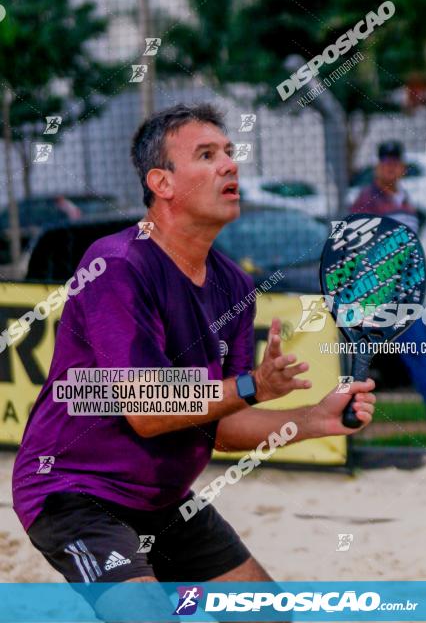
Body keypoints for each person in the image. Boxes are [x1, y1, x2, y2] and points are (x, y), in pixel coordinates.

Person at [12, 104, 375, 597]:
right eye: (207, 155)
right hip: (73, 494)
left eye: (228, 152)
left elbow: (220, 426)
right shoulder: (117, 265)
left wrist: (314, 420)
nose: (230, 164)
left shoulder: (233, 284)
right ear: (161, 183)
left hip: (162, 500)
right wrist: (250, 385)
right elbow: (147, 410)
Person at [350, 140, 426, 427]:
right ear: (378, 166)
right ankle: (349, 417)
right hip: (375, 294)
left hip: (405, 295)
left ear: (401, 167)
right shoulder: (367, 200)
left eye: (394, 162)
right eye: (385, 162)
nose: (390, 168)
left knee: (420, 351)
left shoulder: (406, 200)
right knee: (357, 356)